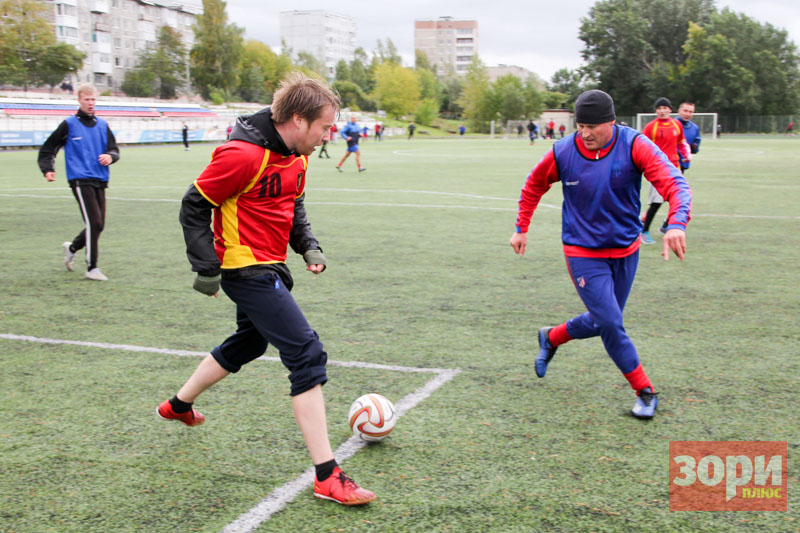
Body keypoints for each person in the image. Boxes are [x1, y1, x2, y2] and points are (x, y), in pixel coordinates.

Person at [157, 72, 376, 506]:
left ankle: (178, 405)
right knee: (306, 354)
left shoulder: (298, 155)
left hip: (273, 264)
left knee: (249, 344)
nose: (327, 135)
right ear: (297, 119)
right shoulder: (241, 155)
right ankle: (327, 476)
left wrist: (307, 245)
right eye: (324, 127)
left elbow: (292, 202)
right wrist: (206, 268)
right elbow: (194, 206)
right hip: (244, 269)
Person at [509, 89, 692, 419]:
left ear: (611, 122)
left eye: (593, 126)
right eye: (580, 125)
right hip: (582, 251)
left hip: (626, 248)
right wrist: (521, 227)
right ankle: (645, 391)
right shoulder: (563, 152)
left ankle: (551, 337)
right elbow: (533, 184)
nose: (585, 133)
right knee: (610, 321)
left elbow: (674, 183)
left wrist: (677, 222)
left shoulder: (634, 144)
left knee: (605, 320)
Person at [37, 83, 120, 281]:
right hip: (80, 178)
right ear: (79, 100)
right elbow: (48, 148)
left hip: (100, 178)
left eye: (93, 100)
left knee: (98, 225)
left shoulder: (102, 125)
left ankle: (72, 248)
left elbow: (114, 149)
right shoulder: (69, 124)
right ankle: (92, 267)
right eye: (86, 99)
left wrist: (110, 156)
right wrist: (48, 169)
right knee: (94, 222)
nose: (90, 103)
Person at [640, 97, 690, 244]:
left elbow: (681, 142)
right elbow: (643, 146)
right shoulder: (651, 127)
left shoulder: (676, 125)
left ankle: (665, 226)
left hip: (675, 168)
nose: (662, 111)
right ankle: (644, 231)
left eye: (664, 108)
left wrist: (686, 155)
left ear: (670, 109)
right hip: (657, 169)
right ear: (655, 111)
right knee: (656, 202)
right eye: (659, 108)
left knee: (678, 199)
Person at [657, 102, 701, 233]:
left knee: (673, 195)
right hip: (667, 165)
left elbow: (695, 145)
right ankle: (651, 222)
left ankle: (664, 222)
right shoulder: (672, 124)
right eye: (685, 111)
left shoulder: (694, 128)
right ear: (679, 111)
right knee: (666, 196)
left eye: (691, 111)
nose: (688, 114)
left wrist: (694, 148)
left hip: (682, 165)